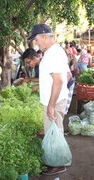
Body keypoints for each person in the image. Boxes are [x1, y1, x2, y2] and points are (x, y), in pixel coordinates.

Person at [28, 23, 70, 175]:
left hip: (55, 102)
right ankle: (57, 161)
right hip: (56, 100)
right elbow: (67, 76)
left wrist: (51, 106)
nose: (36, 43)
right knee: (54, 131)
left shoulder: (53, 54)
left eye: (37, 40)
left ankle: (58, 164)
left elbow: (58, 81)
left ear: (45, 36)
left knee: (54, 132)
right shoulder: (55, 52)